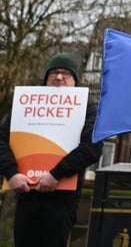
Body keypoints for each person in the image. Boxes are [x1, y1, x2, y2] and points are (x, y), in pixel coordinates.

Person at [0, 53, 103, 247]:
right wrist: (11, 172)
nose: (59, 77)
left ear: (75, 81)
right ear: (46, 78)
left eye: (66, 73)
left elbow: (92, 147)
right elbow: (2, 141)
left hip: (62, 198)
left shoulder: (87, 108)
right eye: (54, 72)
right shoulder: (24, 104)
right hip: (26, 195)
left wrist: (56, 174)